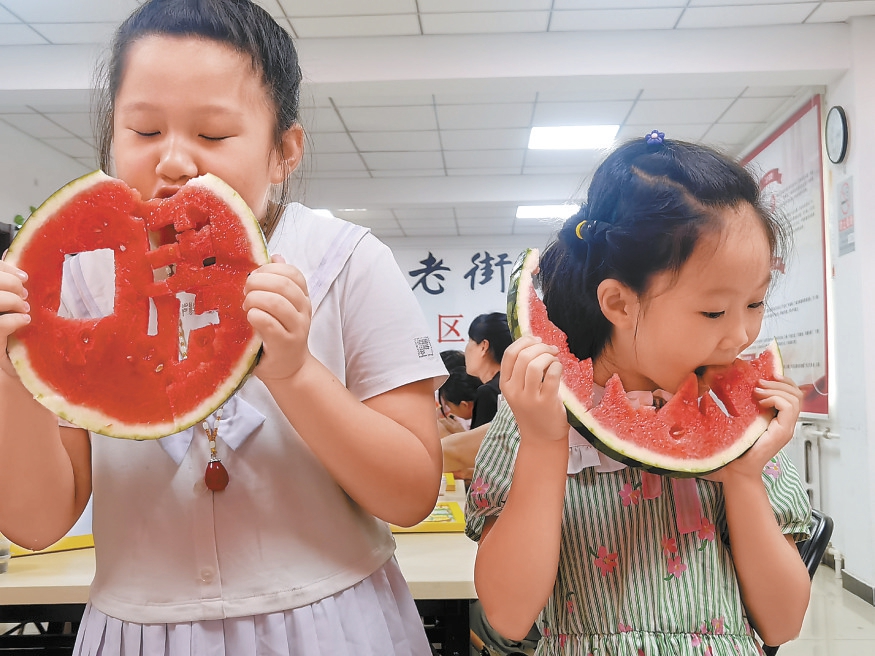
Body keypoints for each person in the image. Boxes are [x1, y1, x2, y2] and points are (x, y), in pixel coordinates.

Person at [0, 1, 446, 654]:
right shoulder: (77, 282)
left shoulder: (347, 262)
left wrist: (296, 374)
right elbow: (36, 523)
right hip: (138, 633)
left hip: (334, 628)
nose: (175, 161)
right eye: (144, 131)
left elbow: (410, 495)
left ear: (283, 151)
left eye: (212, 136)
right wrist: (10, 371)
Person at [466, 135, 812, 655]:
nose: (741, 335)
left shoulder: (741, 419)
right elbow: (510, 616)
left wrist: (742, 475)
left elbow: (783, 623)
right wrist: (543, 446)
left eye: (757, 302)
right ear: (619, 303)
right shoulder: (536, 412)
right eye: (714, 312)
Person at [466, 312, 513, 429]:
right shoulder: (514, 385)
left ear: (483, 346)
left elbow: (483, 446)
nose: (465, 350)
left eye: (469, 341)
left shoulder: (488, 392)